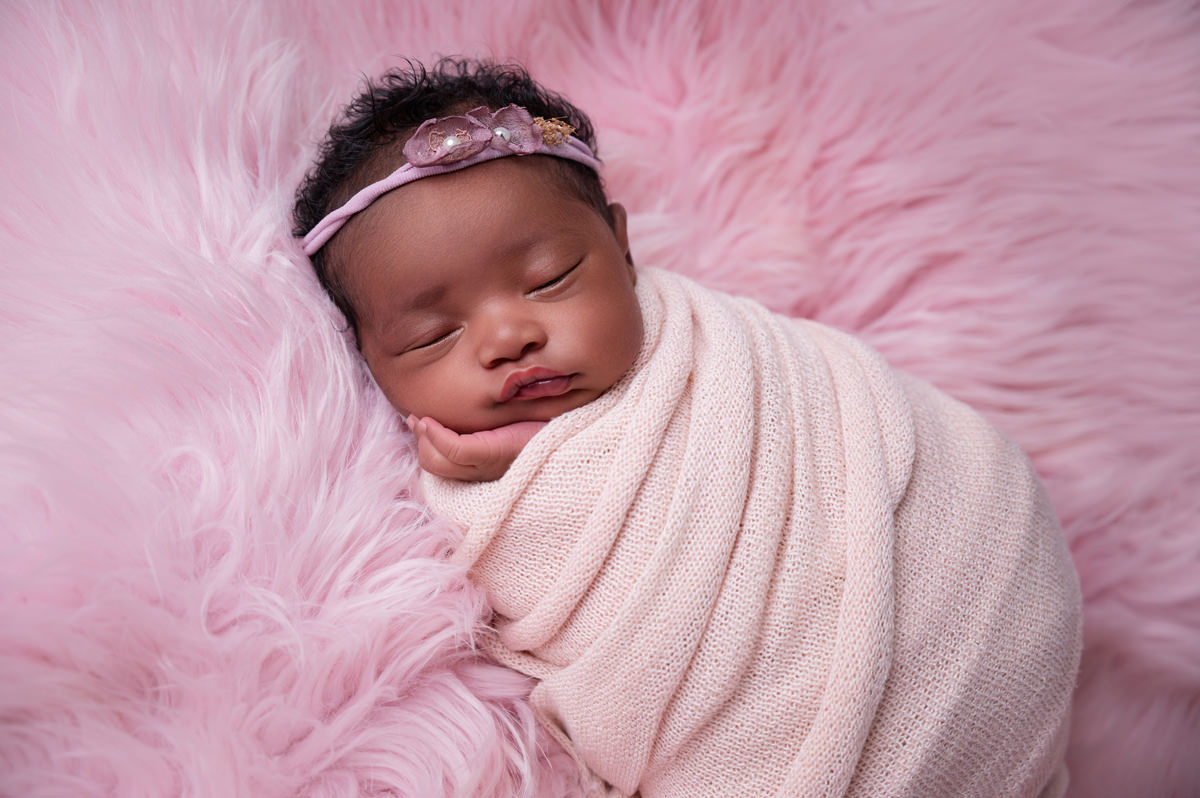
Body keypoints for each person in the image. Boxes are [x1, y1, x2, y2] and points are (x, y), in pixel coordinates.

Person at [295, 58, 1082, 798]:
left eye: (551, 279)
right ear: (366, 358)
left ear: (623, 248)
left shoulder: (729, 357)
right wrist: (501, 481)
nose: (509, 337)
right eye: (434, 334)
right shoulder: (399, 498)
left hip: (983, 589)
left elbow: (864, 431)